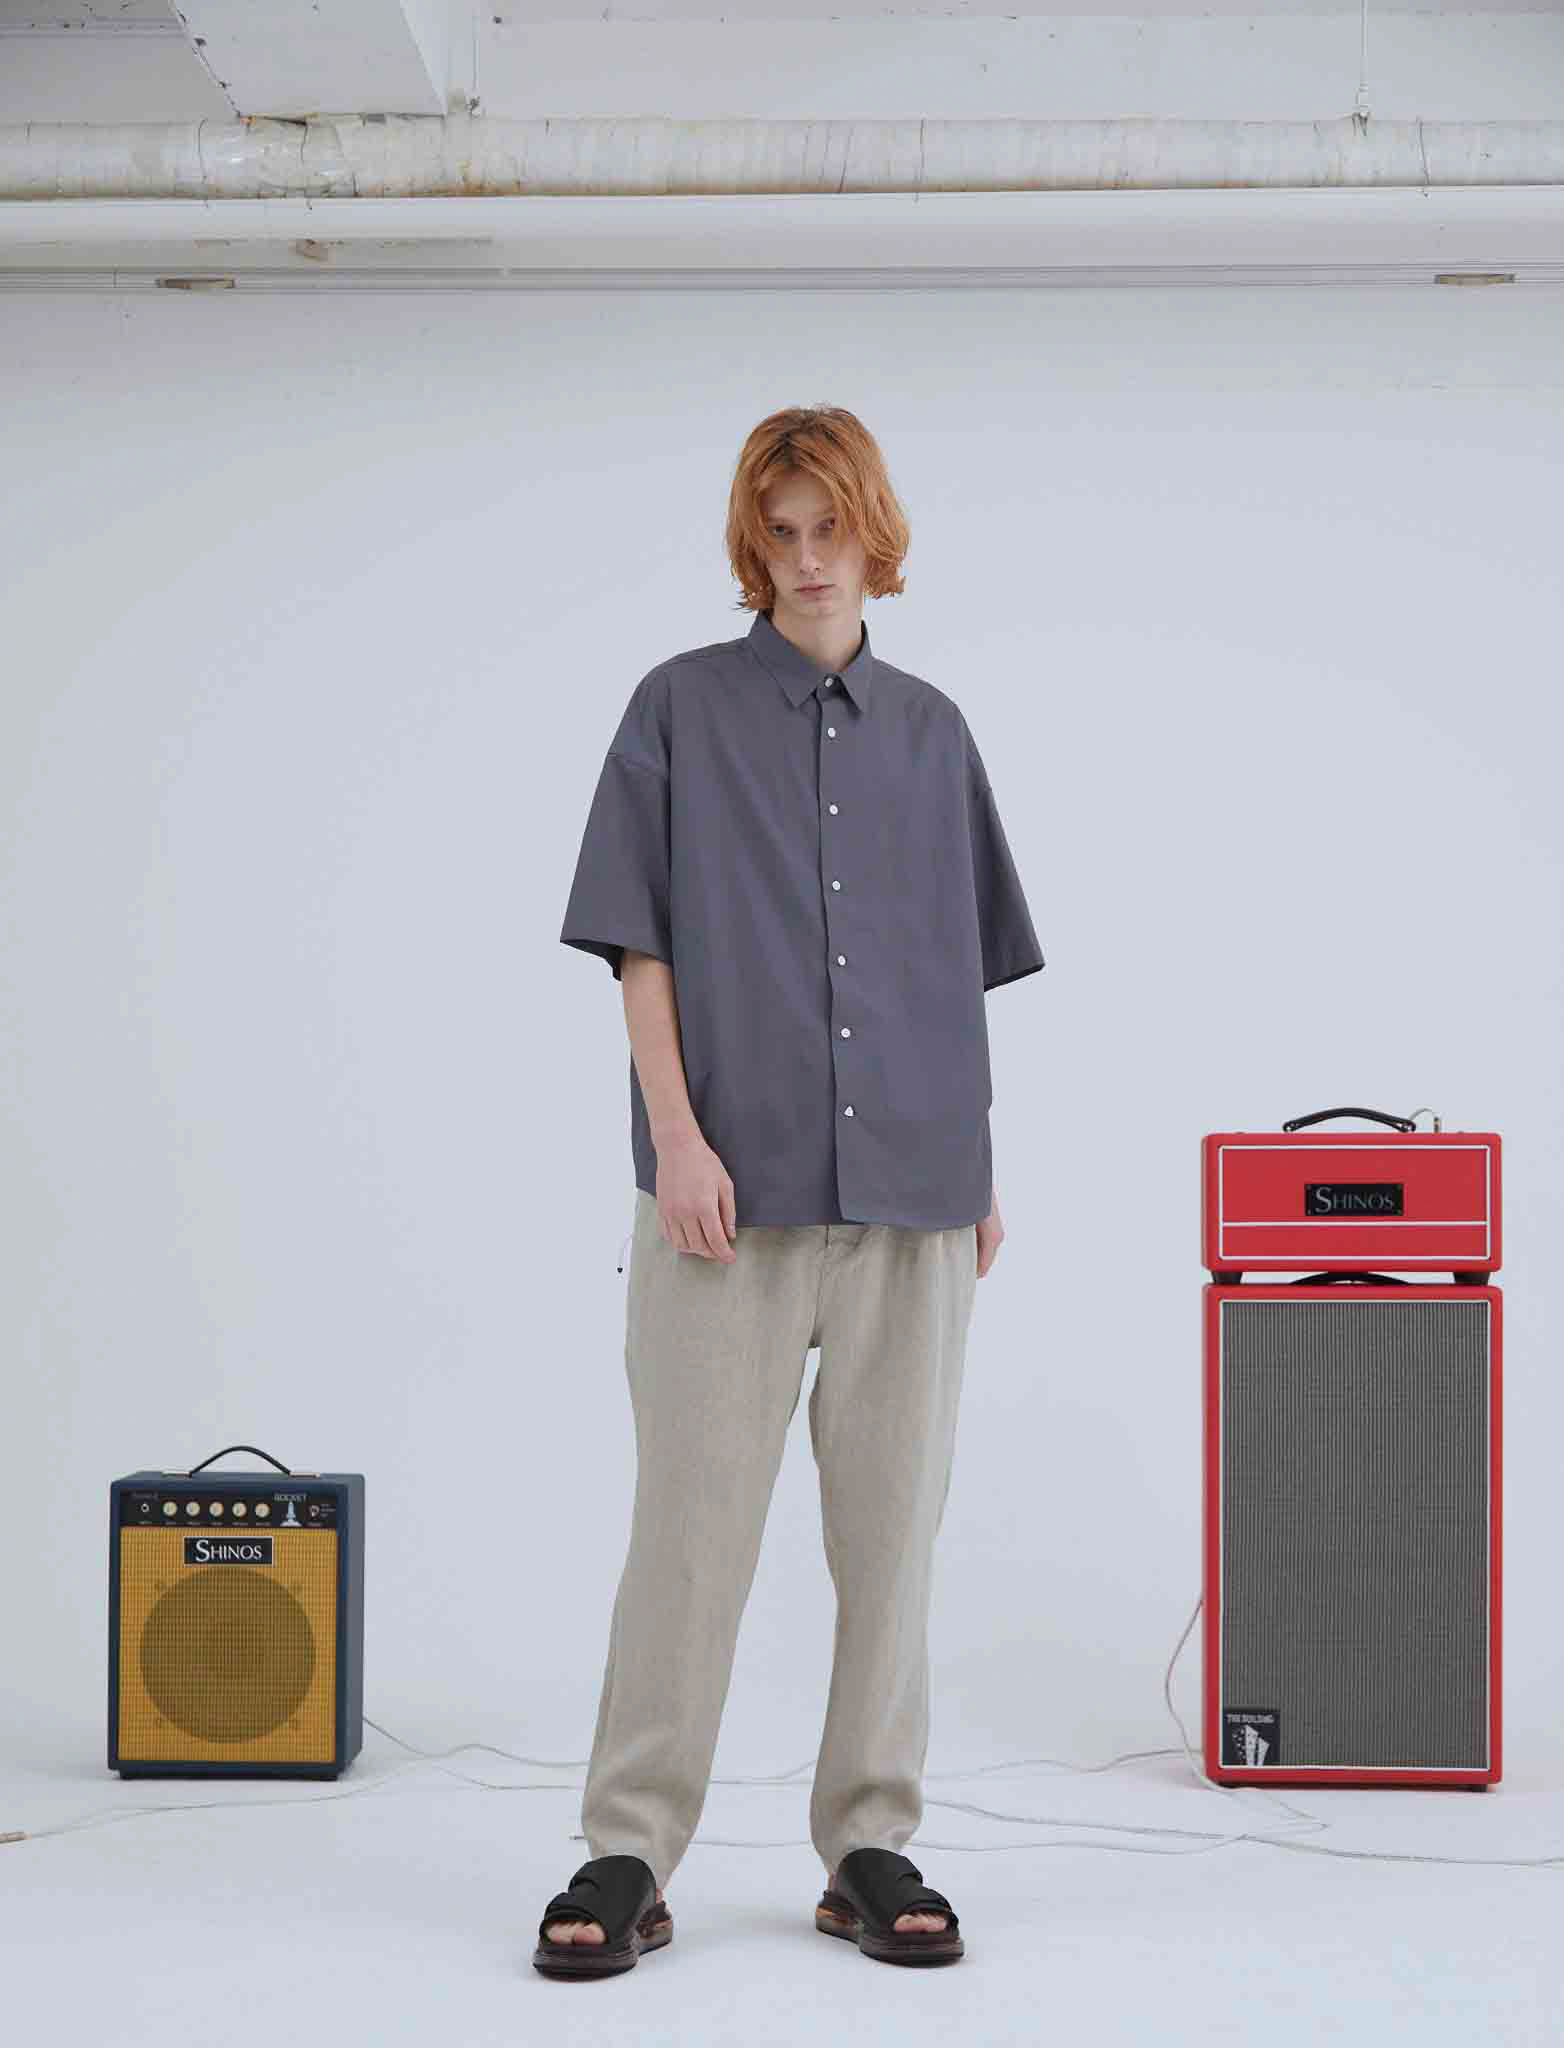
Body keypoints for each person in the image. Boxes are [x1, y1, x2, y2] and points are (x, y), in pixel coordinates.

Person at [535, 406, 1045, 1978]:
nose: (808, 560)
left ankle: (870, 1842)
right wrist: (676, 1137)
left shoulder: (936, 733)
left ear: (874, 535)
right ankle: (629, 1848)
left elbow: (957, 970)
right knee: (688, 1537)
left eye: (832, 529)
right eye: (781, 532)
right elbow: (639, 944)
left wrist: (976, 1165)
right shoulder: (677, 708)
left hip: (914, 1197)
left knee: (892, 1539)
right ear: (750, 546)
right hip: (725, 1198)